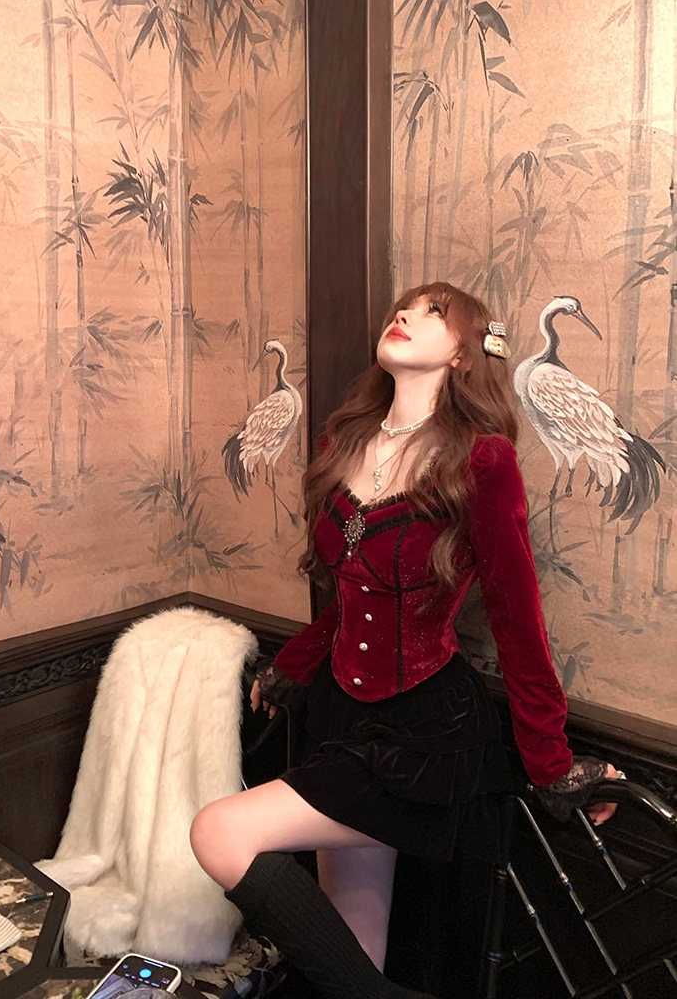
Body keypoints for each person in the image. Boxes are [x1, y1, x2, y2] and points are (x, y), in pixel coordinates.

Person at [190, 283, 623, 999]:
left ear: (462, 354)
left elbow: (517, 619)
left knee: (218, 832)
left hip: (426, 733)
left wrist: (551, 763)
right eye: (405, 306)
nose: (406, 316)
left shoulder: (483, 462)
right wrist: (293, 665)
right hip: (340, 715)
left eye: (433, 313)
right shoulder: (342, 444)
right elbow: (349, 597)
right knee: (352, 945)